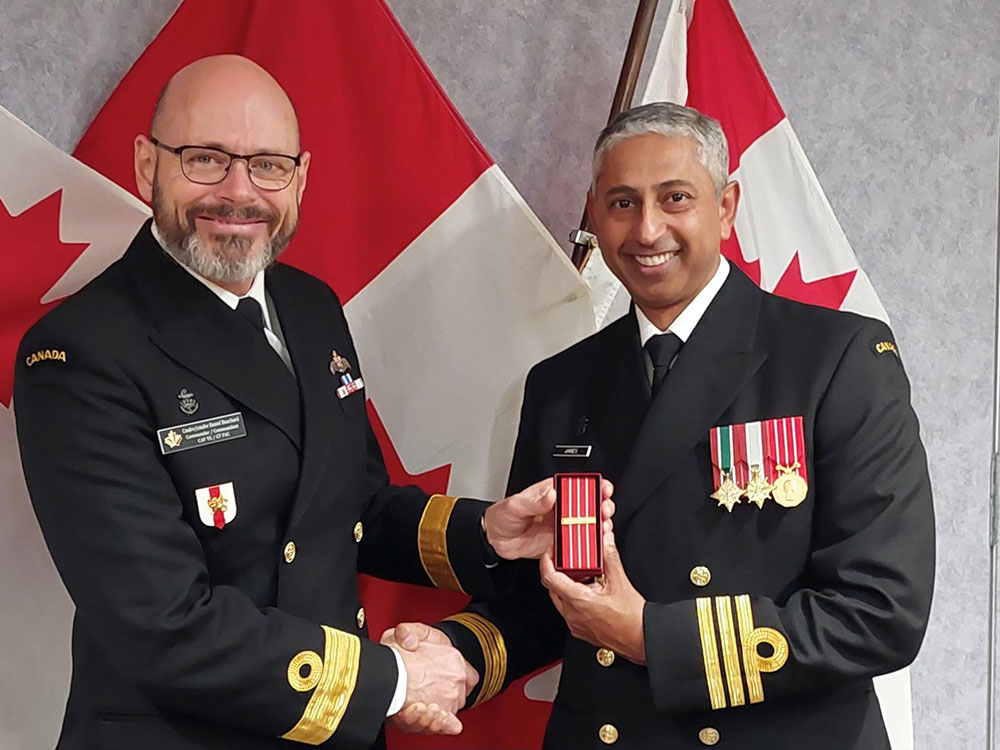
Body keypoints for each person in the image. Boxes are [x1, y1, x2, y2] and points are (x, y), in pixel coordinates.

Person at [13, 54, 584, 750]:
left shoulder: (308, 308)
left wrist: (487, 534)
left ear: (300, 177)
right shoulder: (79, 354)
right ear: (147, 166)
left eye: (268, 166)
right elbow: (163, 624)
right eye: (205, 159)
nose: (239, 192)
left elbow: (354, 506)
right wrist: (396, 683)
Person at [386, 102, 935, 749]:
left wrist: (649, 636)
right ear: (594, 212)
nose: (647, 229)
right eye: (622, 203)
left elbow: (881, 614)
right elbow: (549, 597)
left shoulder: (836, 360)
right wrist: (458, 655)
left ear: (726, 206)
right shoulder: (563, 383)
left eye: (675, 198)